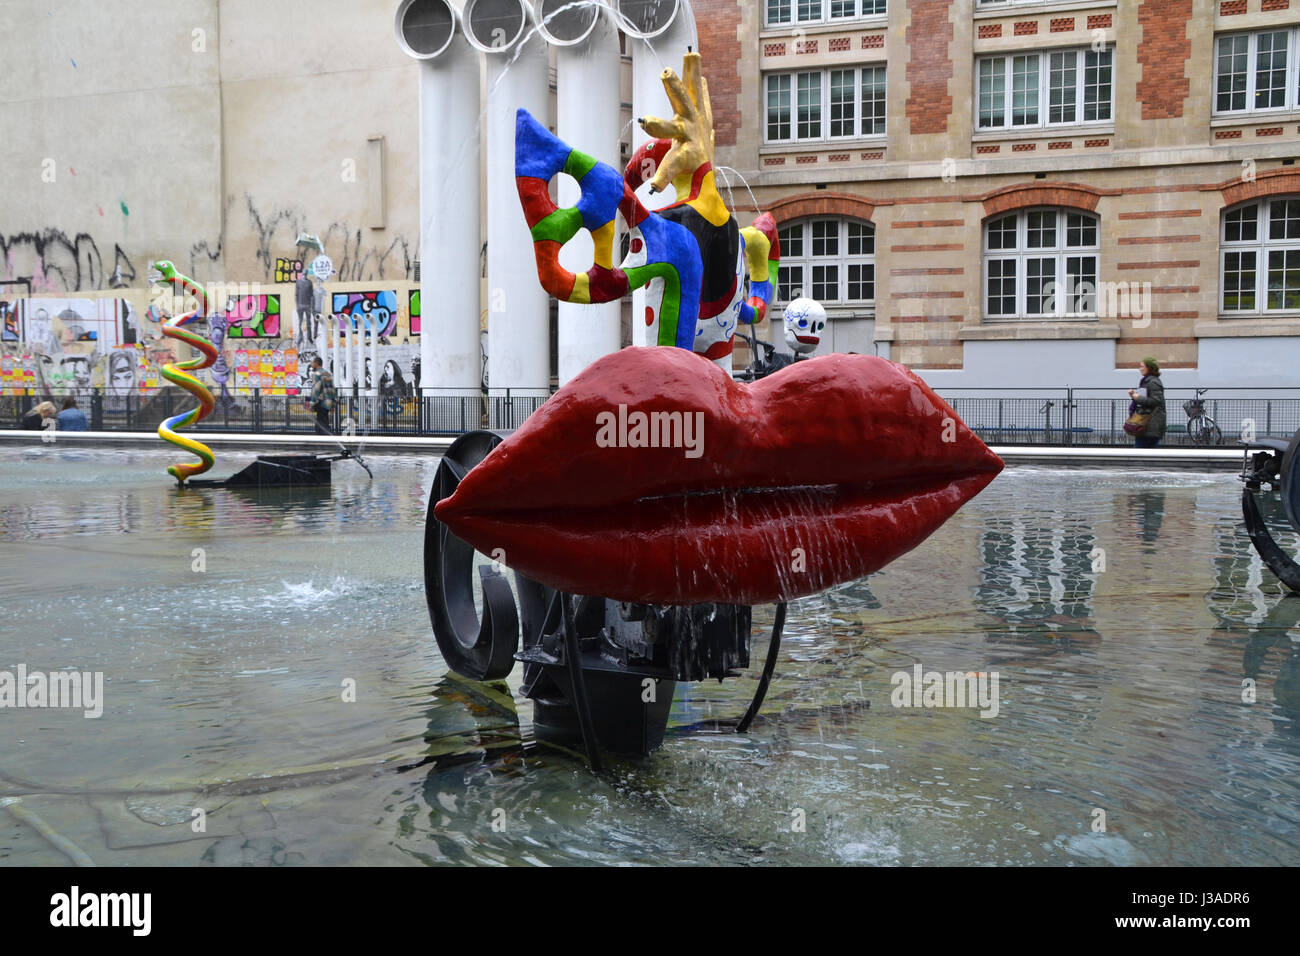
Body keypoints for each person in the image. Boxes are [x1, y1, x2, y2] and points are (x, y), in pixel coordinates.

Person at [1127, 357, 1166, 449]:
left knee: (1138, 456)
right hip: (1148, 426)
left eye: (1142, 366)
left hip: (1149, 425)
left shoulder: (1153, 382)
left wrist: (1137, 397)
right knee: (1151, 456)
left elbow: (1156, 401)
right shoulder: (1147, 381)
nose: (1139, 369)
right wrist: (1134, 396)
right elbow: (1146, 400)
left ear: (1149, 367)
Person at [308, 356, 336, 434]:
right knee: (323, 421)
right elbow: (332, 389)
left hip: (321, 402)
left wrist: (312, 403)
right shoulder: (328, 374)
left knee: (322, 424)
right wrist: (333, 404)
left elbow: (315, 389)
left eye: (312, 363)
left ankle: (328, 440)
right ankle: (324, 440)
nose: (311, 365)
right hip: (328, 402)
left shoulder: (316, 374)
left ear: (316, 363)